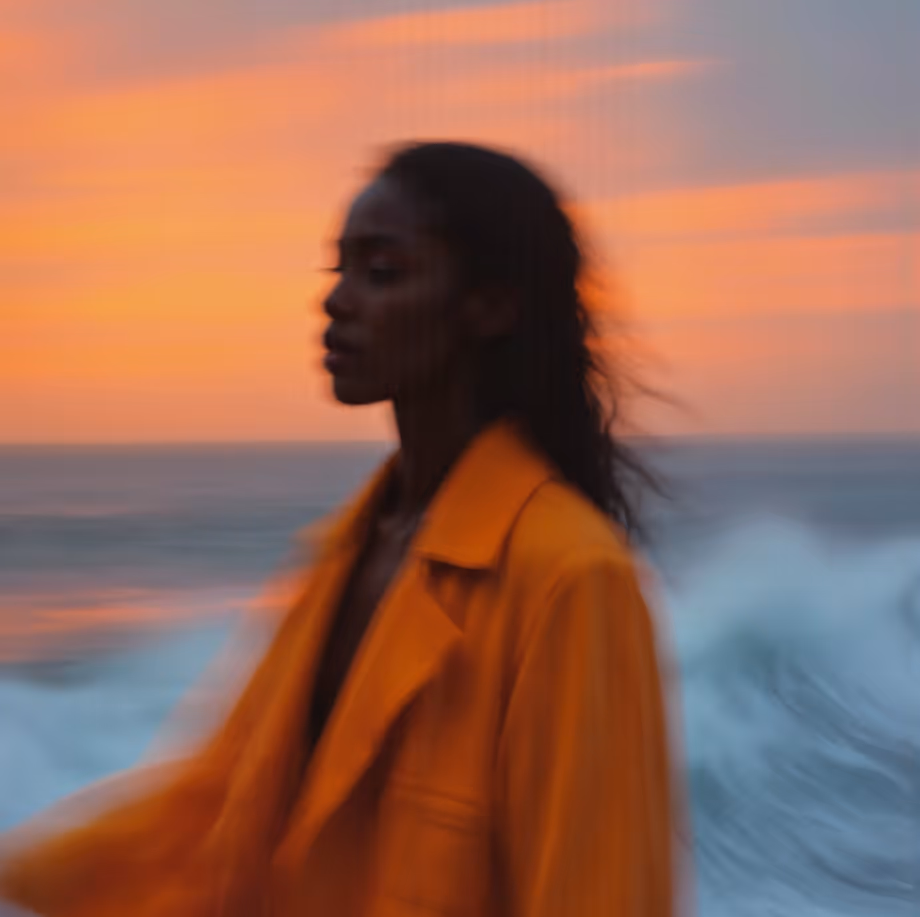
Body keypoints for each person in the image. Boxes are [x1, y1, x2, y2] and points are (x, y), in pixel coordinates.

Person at [0, 141, 677, 916]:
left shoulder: (572, 577)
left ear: (491, 306)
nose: (336, 300)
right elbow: (209, 817)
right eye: (339, 269)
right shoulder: (344, 547)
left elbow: (598, 892)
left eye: (381, 272)